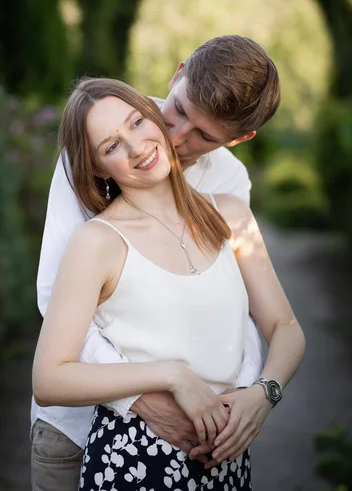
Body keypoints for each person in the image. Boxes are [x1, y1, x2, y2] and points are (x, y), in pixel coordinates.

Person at [31, 35, 281, 490]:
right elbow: (55, 294)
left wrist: (247, 393)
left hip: (202, 435)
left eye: (205, 136)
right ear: (177, 73)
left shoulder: (228, 185)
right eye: (179, 110)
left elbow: (234, 299)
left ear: (240, 139)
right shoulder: (102, 130)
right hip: (77, 425)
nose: (176, 135)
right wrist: (144, 396)